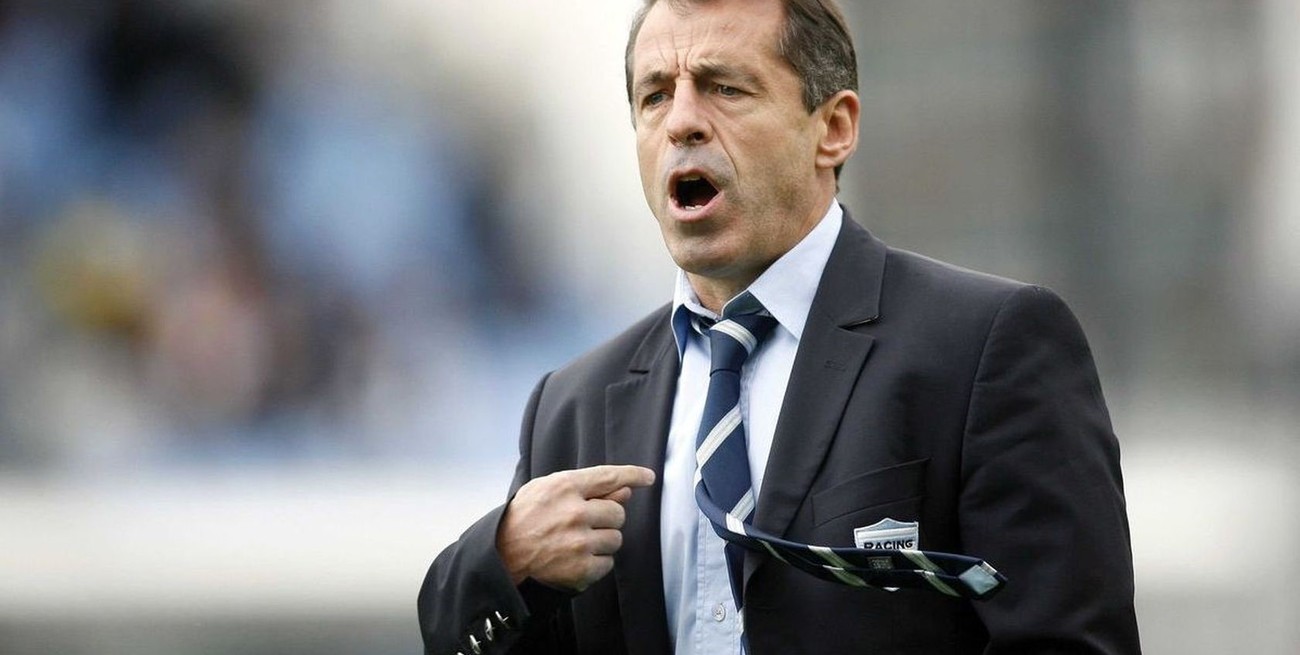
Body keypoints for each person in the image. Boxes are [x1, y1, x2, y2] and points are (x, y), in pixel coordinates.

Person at [418, 0, 1141, 652]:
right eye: (655, 96)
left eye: (725, 87)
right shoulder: (571, 406)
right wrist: (504, 558)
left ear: (834, 128)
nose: (682, 121)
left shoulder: (986, 347)